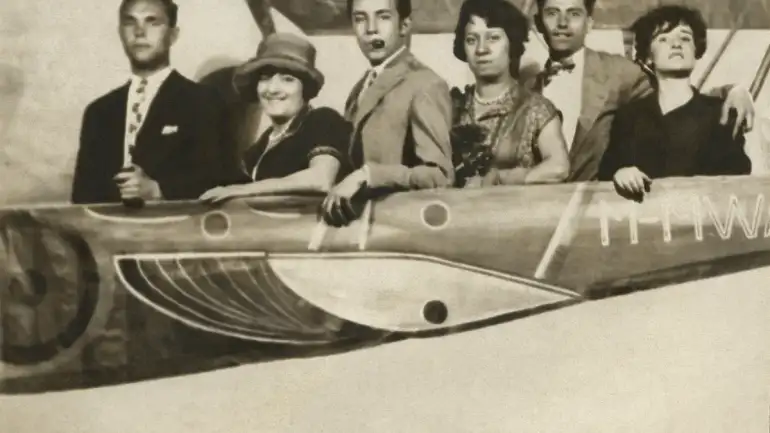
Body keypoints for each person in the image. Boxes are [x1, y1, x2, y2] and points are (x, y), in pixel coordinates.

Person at [529, 0, 756, 182]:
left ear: (589, 23)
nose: (562, 23)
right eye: (552, 13)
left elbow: (685, 102)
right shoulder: (527, 89)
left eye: (574, 13)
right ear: (538, 23)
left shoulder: (619, 72)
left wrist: (734, 90)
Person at [71, 0, 239, 205]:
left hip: (177, 232)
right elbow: (82, 200)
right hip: (108, 234)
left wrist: (159, 190)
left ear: (173, 35)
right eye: (130, 22)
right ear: (120, 32)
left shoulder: (204, 102)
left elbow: (224, 181)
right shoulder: (99, 112)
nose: (139, 32)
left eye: (152, 22)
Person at [322, 0, 454, 226]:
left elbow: (441, 176)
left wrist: (369, 175)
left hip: (402, 228)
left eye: (383, 16)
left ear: (404, 25)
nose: (371, 28)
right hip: (361, 229)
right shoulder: (361, 87)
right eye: (360, 18)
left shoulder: (424, 83)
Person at [597, 6, 751, 198]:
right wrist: (620, 173)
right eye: (663, 39)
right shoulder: (628, 116)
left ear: (697, 50)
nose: (676, 44)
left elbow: (738, 180)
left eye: (685, 38)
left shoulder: (721, 113)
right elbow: (607, 171)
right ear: (648, 57)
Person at [199, 33, 351, 204]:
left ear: (305, 87)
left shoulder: (323, 120)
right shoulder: (255, 151)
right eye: (265, 79)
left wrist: (239, 190)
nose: (272, 89)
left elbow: (321, 179)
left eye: (287, 80)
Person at [450, 0, 569, 187]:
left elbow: (559, 167)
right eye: (472, 40)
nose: (481, 49)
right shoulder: (450, 107)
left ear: (512, 43)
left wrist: (499, 179)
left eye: (493, 38)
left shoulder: (536, 109)